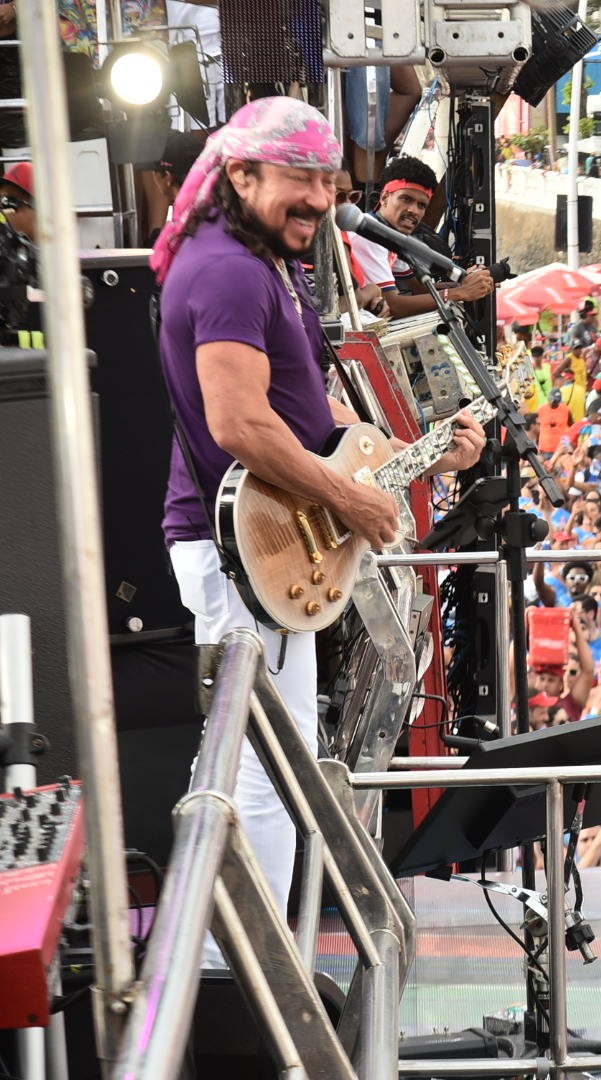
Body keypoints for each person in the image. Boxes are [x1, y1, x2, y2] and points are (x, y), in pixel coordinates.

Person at [150, 98, 485, 965]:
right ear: (241, 176)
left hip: (268, 542)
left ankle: (225, 942)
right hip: (242, 551)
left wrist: (422, 457)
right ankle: (240, 967)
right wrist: (354, 497)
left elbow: (308, 416)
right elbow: (240, 425)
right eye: (299, 179)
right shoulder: (225, 270)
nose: (319, 196)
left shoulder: (268, 264)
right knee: (265, 759)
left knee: (253, 751)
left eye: (326, 180)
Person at [343, 154, 493, 317]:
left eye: (421, 205)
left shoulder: (392, 235)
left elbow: (421, 287)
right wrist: (460, 292)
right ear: (385, 197)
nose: (413, 210)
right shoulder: (368, 235)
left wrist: (465, 280)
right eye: (406, 199)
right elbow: (394, 305)